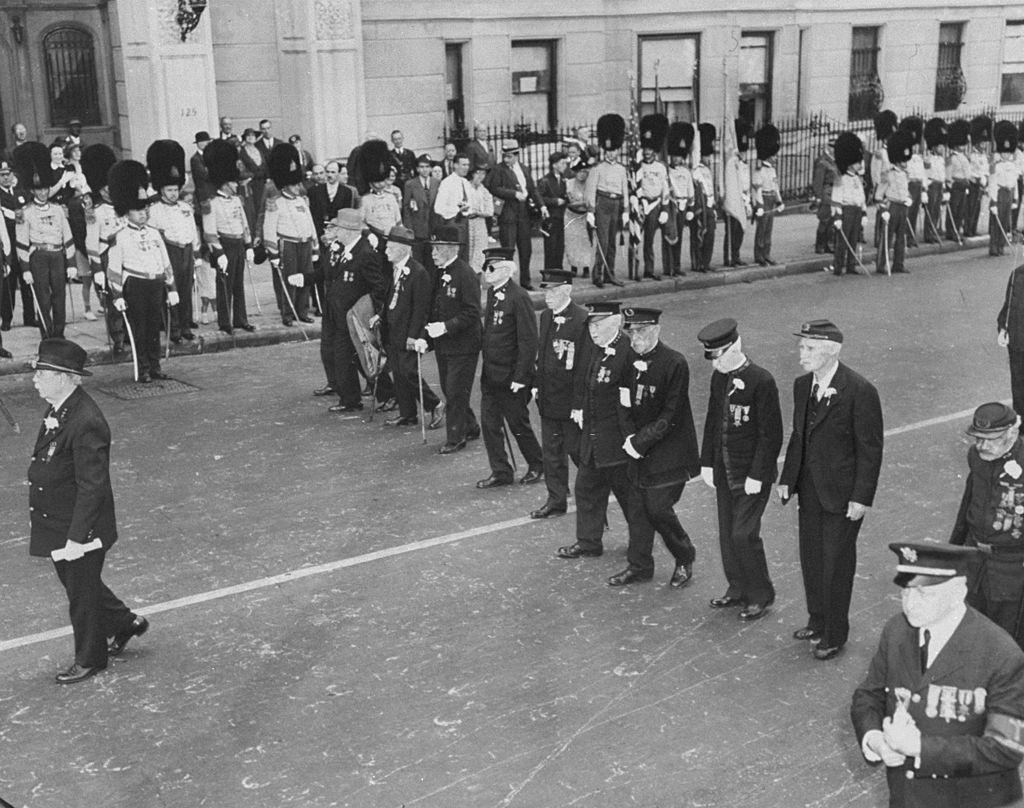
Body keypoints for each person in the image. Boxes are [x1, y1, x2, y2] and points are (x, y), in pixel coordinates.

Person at [851, 541, 1024, 808]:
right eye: (906, 592)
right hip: (907, 797)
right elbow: (869, 695)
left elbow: (1006, 748)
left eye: (924, 594)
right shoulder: (897, 631)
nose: (910, 604)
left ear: (957, 593)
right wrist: (875, 740)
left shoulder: (1001, 654)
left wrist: (920, 747)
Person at [27, 338, 150, 683]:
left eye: (42, 372)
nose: (35, 378)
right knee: (79, 583)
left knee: (80, 594)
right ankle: (126, 623)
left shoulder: (85, 420)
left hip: (80, 527)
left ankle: (90, 658)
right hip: (59, 519)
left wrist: (77, 538)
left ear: (66, 377)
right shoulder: (60, 407)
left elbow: (93, 486)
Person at [778, 319, 884, 660]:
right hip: (810, 491)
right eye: (801, 347)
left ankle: (835, 634)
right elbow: (799, 436)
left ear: (831, 351)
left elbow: (870, 449)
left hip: (843, 497)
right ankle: (817, 619)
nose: (801, 355)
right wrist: (787, 479)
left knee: (836, 564)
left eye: (808, 349)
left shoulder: (859, 390)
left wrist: (861, 498)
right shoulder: (801, 386)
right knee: (811, 558)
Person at [697, 318, 782, 620]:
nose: (714, 363)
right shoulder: (720, 378)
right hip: (724, 471)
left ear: (735, 348)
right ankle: (737, 588)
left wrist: (758, 475)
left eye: (718, 356)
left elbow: (771, 436)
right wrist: (706, 461)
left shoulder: (761, 381)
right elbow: (711, 421)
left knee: (743, 535)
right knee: (726, 535)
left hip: (750, 476)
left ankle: (760, 593)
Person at [610, 307, 701, 587]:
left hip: (669, 453)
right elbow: (623, 402)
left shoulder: (674, 363)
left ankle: (685, 555)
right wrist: (629, 438)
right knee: (637, 507)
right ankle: (639, 566)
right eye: (631, 332)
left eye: (641, 331)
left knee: (658, 508)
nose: (635, 337)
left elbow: (670, 416)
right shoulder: (628, 359)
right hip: (638, 448)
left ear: (657, 331)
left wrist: (639, 442)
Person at [557, 301, 632, 559]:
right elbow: (585, 379)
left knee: (629, 496)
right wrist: (578, 406)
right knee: (586, 488)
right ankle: (588, 542)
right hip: (593, 434)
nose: (593, 331)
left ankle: (640, 541)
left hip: (618, 441)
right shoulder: (597, 348)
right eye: (591, 325)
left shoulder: (627, 350)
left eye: (598, 325)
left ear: (615, 322)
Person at [949, 403, 1024, 648]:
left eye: (990, 440)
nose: (981, 446)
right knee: (970, 627)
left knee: (1007, 640)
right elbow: (968, 502)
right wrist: (954, 550)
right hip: (974, 559)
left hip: (1010, 568)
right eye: (977, 438)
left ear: (1012, 433)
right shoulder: (976, 457)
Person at [107, 160, 179, 383]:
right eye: (138, 210)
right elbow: (114, 269)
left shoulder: (155, 233)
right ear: (126, 211)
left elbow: (165, 262)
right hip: (136, 284)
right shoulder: (119, 236)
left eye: (145, 209)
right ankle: (144, 368)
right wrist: (117, 295)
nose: (143, 213)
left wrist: (172, 287)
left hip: (155, 283)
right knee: (140, 329)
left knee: (154, 328)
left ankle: (155, 365)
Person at [475, 258, 543, 488]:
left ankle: (537, 463)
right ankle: (501, 470)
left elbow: (528, 341)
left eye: (491, 268)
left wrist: (521, 377)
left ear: (506, 270)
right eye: (485, 268)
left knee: (518, 424)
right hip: (492, 374)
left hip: (511, 376)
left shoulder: (519, 296)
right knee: (489, 423)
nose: (486, 272)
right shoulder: (495, 293)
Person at [530, 269, 588, 519]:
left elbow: (584, 366)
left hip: (571, 402)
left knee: (578, 453)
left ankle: (592, 500)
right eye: (545, 290)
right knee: (551, 453)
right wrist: (536, 385)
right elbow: (541, 354)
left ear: (567, 290)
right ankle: (556, 499)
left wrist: (579, 403)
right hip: (549, 397)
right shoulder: (545, 317)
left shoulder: (582, 319)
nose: (547, 295)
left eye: (552, 290)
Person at [420, 225, 481, 454]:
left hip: (464, 344)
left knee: (455, 390)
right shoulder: (440, 272)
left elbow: (472, 312)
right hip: (445, 343)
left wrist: (446, 327)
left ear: (451, 248)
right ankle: (471, 425)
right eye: (433, 248)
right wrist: (427, 336)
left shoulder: (466, 274)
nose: (433, 253)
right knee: (449, 387)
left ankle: (456, 438)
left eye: (437, 248)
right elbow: (435, 308)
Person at [319, 209, 388, 412]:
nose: (335, 231)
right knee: (354, 357)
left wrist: (375, 313)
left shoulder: (365, 253)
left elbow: (378, 286)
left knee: (358, 356)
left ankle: (372, 395)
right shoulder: (343, 248)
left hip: (354, 317)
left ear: (348, 230)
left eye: (337, 227)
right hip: (338, 314)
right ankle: (354, 398)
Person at [13, 141, 75, 339]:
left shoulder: (57, 210)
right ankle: (47, 335)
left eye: (45, 189)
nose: (42, 192)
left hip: (57, 255)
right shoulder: (26, 213)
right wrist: (25, 269)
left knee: (59, 297)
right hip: (38, 257)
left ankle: (59, 333)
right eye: (38, 190)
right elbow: (21, 242)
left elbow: (68, 235)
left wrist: (71, 263)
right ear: (32, 190)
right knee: (43, 299)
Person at [383, 224, 442, 428]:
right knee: (399, 372)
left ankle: (435, 404)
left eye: (390, 248)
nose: (386, 251)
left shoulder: (418, 273)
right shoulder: (395, 269)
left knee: (409, 371)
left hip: (409, 332)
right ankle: (407, 414)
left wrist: (415, 335)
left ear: (402, 249)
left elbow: (421, 309)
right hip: (394, 329)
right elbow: (391, 298)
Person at [146, 140, 199, 344]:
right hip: (169, 251)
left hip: (185, 250)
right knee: (171, 289)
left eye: (175, 190)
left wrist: (196, 252)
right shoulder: (155, 209)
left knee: (186, 289)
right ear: (161, 190)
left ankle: (185, 324)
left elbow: (192, 231)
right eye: (169, 190)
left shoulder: (185, 207)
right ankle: (173, 327)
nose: (173, 194)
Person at [201, 138, 255, 335]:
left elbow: (245, 224)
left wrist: (248, 246)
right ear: (224, 182)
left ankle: (241, 319)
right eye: (233, 181)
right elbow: (209, 232)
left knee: (238, 284)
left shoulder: (236, 200)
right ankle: (225, 322)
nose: (236, 184)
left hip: (238, 244)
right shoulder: (211, 203)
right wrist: (219, 253)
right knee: (225, 285)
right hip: (224, 245)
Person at [263, 143, 318, 327]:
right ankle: (288, 313)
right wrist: (273, 254)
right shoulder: (275, 202)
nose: (298, 187)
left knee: (305, 277)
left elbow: (309, 223)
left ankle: (302, 311)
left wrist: (315, 245)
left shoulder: (302, 201)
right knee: (289, 280)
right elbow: (269, 228)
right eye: (295, 184)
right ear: (286, 184)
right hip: (288, 244)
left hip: (304, 243)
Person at [82, 144, 126, 354]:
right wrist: (97, 270)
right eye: (105, 188)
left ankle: (129, 334)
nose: (110, 191)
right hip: (107, 254)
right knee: (113, 297)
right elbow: (91, 244)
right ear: (100, 189)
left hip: (125, 254)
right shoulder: (95, 212)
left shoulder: (123, 207)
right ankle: (117, 337)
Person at [487, 141, 547, 290]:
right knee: (508, 249)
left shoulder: (524, 169)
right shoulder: (498, 170)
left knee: (526, 249)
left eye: (509, 156)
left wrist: (542, 206)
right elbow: (494, 188)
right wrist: (513, 194)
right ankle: (506, 282)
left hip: (523, 214)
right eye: (505, 156)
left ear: (516, 155)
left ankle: (525, 281)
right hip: (508, 215)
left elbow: (533, 190)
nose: (506, 160)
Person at [586, 114, 628, 287]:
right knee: (602, 242)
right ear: (605, 151)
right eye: (609, 151)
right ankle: (598, 275)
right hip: (602, 204)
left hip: (616, 204)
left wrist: (626, 210)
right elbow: (590, 190)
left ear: (618, 150)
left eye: (614, 151)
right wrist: (590, 211)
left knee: (612, 242)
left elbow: (625, 189)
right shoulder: (598, 169)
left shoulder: (621, 169)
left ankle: (610, 274)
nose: (611, 154)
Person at [875, 127, 915, 274]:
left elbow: (906, 191)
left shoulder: (905, 174)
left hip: (902, 207)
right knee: (887, 236)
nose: (906, 162)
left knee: (901, 238)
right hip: (891, 207)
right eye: (904, 160)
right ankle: (881, 264)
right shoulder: (888, 174)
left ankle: (899, 264)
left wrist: (909, 198)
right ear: (897, 159)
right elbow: (879, 195)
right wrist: (883, 209)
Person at [0, 157, 34, 331]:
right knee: (9, 283)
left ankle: (30, 316)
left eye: (8, 174)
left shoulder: (21, 192)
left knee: (27, 279)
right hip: (8, 245)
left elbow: (29, 211)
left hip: (24, 243)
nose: (6, 177)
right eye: (2, 175)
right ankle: (7, 318)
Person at [636, 114, 670, 280]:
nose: (647, 152)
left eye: (650, 149)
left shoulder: (661, 167)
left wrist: (664, 209)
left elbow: (665, 189)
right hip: (641, 204)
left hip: (655, 204)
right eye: (645, 149)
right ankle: (634, 269)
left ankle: (649, 269)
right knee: (636, 238)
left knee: (649, 240)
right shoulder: (638, 166)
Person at [829, 132, 867, 277]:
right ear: (850, 162)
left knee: (853, 240)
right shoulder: (841, 178)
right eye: (857, 162)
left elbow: (861, 197)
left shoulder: (857, 179)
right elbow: (836, 199)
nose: (859, 164)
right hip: (846, 211)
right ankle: (838, 267)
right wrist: (837, 216)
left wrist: (863, 212)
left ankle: (851, 265)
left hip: (856, 210)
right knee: (842, 242)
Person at [663, 123, 694, 277]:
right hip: (671, 205)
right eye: (674, 156)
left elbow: (690, 191)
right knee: (669, 236)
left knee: (679, 237)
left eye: (679, 156)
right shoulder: (667, 171)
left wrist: (690, 207)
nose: (677, 159)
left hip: (682, 205)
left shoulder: (686, 172)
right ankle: (667, 267)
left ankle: (677, 266)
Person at [722, 119, 751, 269]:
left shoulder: (745, 165)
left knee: (739, 231)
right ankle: (729, 257)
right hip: (734, 198)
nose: (744, 154)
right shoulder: (732, 164)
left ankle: (736, 255)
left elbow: (747, 185)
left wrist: (748, 200)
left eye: (745, 152)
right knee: (732, 231)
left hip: (743, 199)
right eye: (743, 151)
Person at [751, 124, 782, 266]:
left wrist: (779, 201)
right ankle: (759, 255)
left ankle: (766, 254)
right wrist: (759, 205)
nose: (776, 157)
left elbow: (775, 187)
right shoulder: (759, 170)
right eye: (774, 155)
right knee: (761, 229)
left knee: (769, 229)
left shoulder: (772, 170)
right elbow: (756, 189)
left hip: (770, 199)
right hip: (762, 199)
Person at [433, 153, 473, 261]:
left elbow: (469, 202)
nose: (466, 168)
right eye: (463, 165)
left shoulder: (465, 182)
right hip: (452, 222)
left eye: (467, 165)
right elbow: (438, 207)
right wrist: (457, 210)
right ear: (455, 165)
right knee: (454, 256)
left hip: (464, 222)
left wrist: (467, 209)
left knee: (465, 255)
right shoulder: (447, 183)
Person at [402, 154, 439, 268]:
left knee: (432, 262)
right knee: (418, 261)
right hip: (417, 229)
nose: (425, 169)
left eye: (427, 167)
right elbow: (406, 208)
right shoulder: (411, 184)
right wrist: (410, 230)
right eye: (422, 167)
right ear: (417, 169)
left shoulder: (436, 182)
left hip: (432, 229)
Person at [358, 140, 402, 235]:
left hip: (392, 238)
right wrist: (369, 234)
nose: (380, 184)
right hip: (375, 237)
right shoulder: (365, 200)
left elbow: (398, 221)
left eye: (382, 181)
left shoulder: (391, 197)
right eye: (377, 182)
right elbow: (361, 221)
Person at [990, 121, 1020, 258]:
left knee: (1004, 221)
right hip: (999, 193)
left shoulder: (1013, 166)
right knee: (996, 222)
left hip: (1009, 193)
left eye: (1008, 152)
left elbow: (1014, 183)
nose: (1006, 155)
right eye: (1004, 152)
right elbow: (993, 183)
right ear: (1000, 152)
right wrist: (993, 202)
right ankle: (994, 247)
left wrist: (1015, 198)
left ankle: (1001, 245)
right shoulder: (996, 165)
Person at [564, 150, 595, 279]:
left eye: (584, 172)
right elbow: (568, 202)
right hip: (571, 215)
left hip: (584, 216)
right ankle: (574, 267)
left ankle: (587, 267)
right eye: (579, 171)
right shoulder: (569, 183)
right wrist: (581, 203)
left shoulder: (590, 185)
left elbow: (591, 202)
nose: (582, 174)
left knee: (585, 242)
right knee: (572, 241)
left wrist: (582, 203)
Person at [691, 124, 718, 273]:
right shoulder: (696, 170)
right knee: (698, 236)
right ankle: (698, 263)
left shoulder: (708, 170)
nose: (709, 159)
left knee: (710, 236)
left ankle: (706, 262)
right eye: (707, 156)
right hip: (700, 207)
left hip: (710, 206)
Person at [998, 265, 1024, 415]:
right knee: (1019, 387)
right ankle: (1021, 428)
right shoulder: (1017, 274)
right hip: (1018, 343)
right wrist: (1003, 328)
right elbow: (1008, 308)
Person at [537, 151, 568, 272]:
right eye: (562, 163)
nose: (564, 165)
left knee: (560, 245)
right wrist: (554, 201)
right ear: (554, 165)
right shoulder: (545, 180)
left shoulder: (564, 179)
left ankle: (558, 270)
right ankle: (549, 272)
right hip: (550, 218)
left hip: (561, 217)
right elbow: (539, 197)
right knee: (551, 246)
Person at [871, 110, 898, 246]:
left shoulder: (894, 151)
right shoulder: (880, 153)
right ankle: (879, 239)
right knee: (882, 214)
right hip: (883, 188)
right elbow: (875, 173)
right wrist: (878, 188)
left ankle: (888, 239)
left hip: (893, 188)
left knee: (890, 214)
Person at [965, 115, 992, 239]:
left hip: (981, 184)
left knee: (978, 207)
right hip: (974, 183)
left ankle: (973, 228)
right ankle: (968, 229)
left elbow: (985, 169)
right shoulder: (973, 155)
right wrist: (976, 179)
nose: (984, 144)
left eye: (985, 142)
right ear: (977, 142)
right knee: (971, 207)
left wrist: (985, 179)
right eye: (982, 142)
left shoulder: (984, 156)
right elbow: (970, 171)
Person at [237, 128, 267, 237]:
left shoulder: (259, 151)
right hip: (250, 184)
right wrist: (251, 177)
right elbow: (241, 169)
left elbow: (265, 167)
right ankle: (254, 236)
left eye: (253, 135)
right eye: (248, 136)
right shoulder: (242, 152)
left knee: (263, 208)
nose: (251, 137)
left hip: (262, 183)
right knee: (253, 211)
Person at [465, 162, 495, 273]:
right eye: (478, 173)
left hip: (480, 223)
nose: (480, 176)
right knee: (467, 251)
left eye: (483, 173)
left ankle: (476, 279)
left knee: (479, 252)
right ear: (472, 174)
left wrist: (478, 212)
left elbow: (490, 211)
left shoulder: (484, 191)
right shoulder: (465, 187)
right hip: (467, 222)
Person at [810, 138, 838, 254]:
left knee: (832, 219)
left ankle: (828, 243)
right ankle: (820, 244)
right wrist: (818, 196)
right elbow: (818, 181)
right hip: (826, 191)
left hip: (835, 191)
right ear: (828, 147)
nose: (835, 150)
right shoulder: (823, 162)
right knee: (824, 218)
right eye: (833, 147)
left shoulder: (835, 161)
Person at [946, 119, 971, 241]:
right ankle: (951, 232)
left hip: (963, 185)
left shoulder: (964, 157)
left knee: (961, 210)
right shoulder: (952, 158)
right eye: (961, 143)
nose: (963, 146)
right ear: (956, 144)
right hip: (955, 185)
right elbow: (949, 174)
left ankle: (956, 230)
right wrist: (949, 186)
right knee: (954, 209)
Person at [189, 131, 214, 203]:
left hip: (214, 191)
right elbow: (205, 175)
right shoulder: (195, 159)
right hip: (204, 194)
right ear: (197, 144)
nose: (204, 144)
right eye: (201, 141)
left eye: (206, 141)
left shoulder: (212, 155)